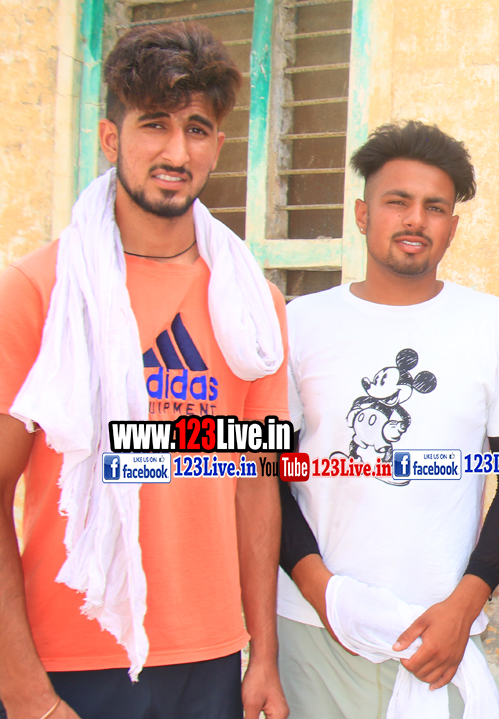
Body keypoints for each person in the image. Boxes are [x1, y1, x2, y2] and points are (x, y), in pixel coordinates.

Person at [0, 23, 288, 719]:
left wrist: (264, 657)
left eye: (196, 129)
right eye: (154, 124)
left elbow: (256, 484)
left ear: (217, 146)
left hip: (210, 659)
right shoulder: (41, 292)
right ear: (111, 137)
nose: (175, 151)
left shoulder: (253, 307)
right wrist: (24, 690)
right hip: (72, 658)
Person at [275, 120, 499, 719]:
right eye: (396, 201)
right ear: (362, 214)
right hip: (314, 632)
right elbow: (265, 479)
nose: (414, 220)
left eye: (434, 207)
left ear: (451, 227)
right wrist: (323, 594)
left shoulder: (490, 324)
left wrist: (464, 605)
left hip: (438, 637)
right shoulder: (300, 324)